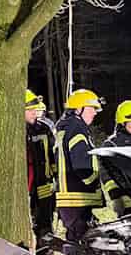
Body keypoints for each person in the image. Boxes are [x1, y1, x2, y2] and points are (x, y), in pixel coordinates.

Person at [55, 88, 104, 242]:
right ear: (78, 109)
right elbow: (81, 163)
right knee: (80, 241)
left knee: (76, 237)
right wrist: (93, 182)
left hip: (68, 195)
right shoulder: (77, 128)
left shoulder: (65, 127)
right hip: (77, 195)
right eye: (91, 109)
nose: (95, 112)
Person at [25, 90, 56, 243]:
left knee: (45, 216)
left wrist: (54, 176)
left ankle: (46, 249)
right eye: (30, 110)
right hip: (26, 184)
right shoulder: (16, 131)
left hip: (44, 182)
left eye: (35, 109)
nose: (34, 112)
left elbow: (52, 155)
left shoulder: (44, 129)